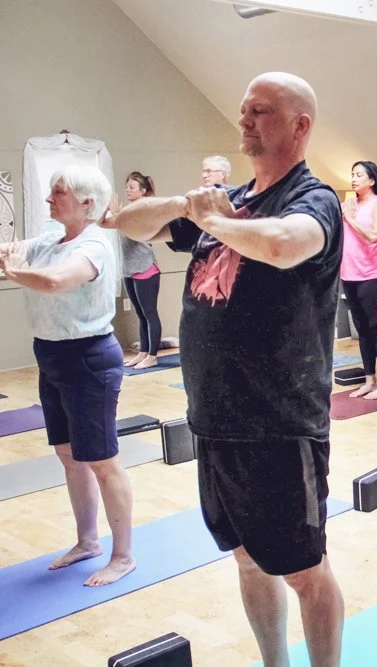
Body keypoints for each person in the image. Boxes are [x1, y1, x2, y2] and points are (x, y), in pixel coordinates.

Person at [113, 72, 345, 667]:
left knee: (304, 570)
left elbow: (283, 244)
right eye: (243, 110)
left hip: (278, 422)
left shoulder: (313, 199)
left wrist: (214, 220)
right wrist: (188, 205)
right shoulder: (229, 199)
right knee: (245, 557)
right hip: (214, 416)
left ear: (299, 125)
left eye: (260, 111)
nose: (245, 120)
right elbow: (130, 223)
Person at [0, 165, 135, 587]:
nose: (49, 199)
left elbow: (56, 281)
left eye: (58, 192)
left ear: (86, 202)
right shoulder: (51, 239)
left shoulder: (94, 246)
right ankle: (87, 541)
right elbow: (9, 249)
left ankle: (123, 556)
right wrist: (12, 260)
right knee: (68, 455)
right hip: (51, 354)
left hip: (89, 359)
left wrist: (15, 271)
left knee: (102, 461)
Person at [340, 160, 377, 400]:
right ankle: (369, 380)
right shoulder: (349, 204)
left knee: (376, 327)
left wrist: (350, 219)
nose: (354, 179)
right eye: (352, 174)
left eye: (359, 175)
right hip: (350, 274)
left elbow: (374, 236)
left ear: (372, 180)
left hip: (375, 274)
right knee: (361, 329)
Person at [107, 171, 162, 369]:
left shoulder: (145, 210)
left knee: (149, 313)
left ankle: (152, 356)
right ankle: (143, 352)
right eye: (127, 187)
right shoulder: (128, 211)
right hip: (129, 268)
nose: (127, 190)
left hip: (145, 267)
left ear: (143, 190)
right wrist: (114, 213)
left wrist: (117, 215)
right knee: (140, 314)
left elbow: (134, 232)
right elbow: (111, 224)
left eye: (132, 187)